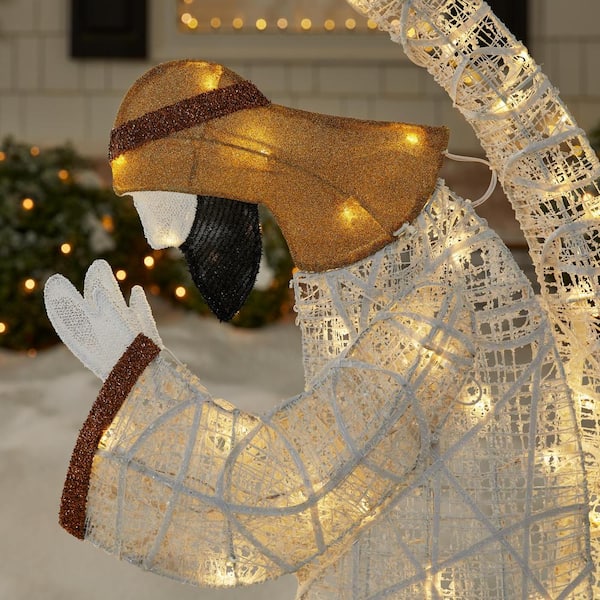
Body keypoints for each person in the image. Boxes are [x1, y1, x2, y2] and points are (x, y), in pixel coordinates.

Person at [45, 1, 599, 597]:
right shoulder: (374, 263)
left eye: (147, 201)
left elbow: (293, 500)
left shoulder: (431, 292)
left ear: (209, 167)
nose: (155, 237)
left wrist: (137, 380)